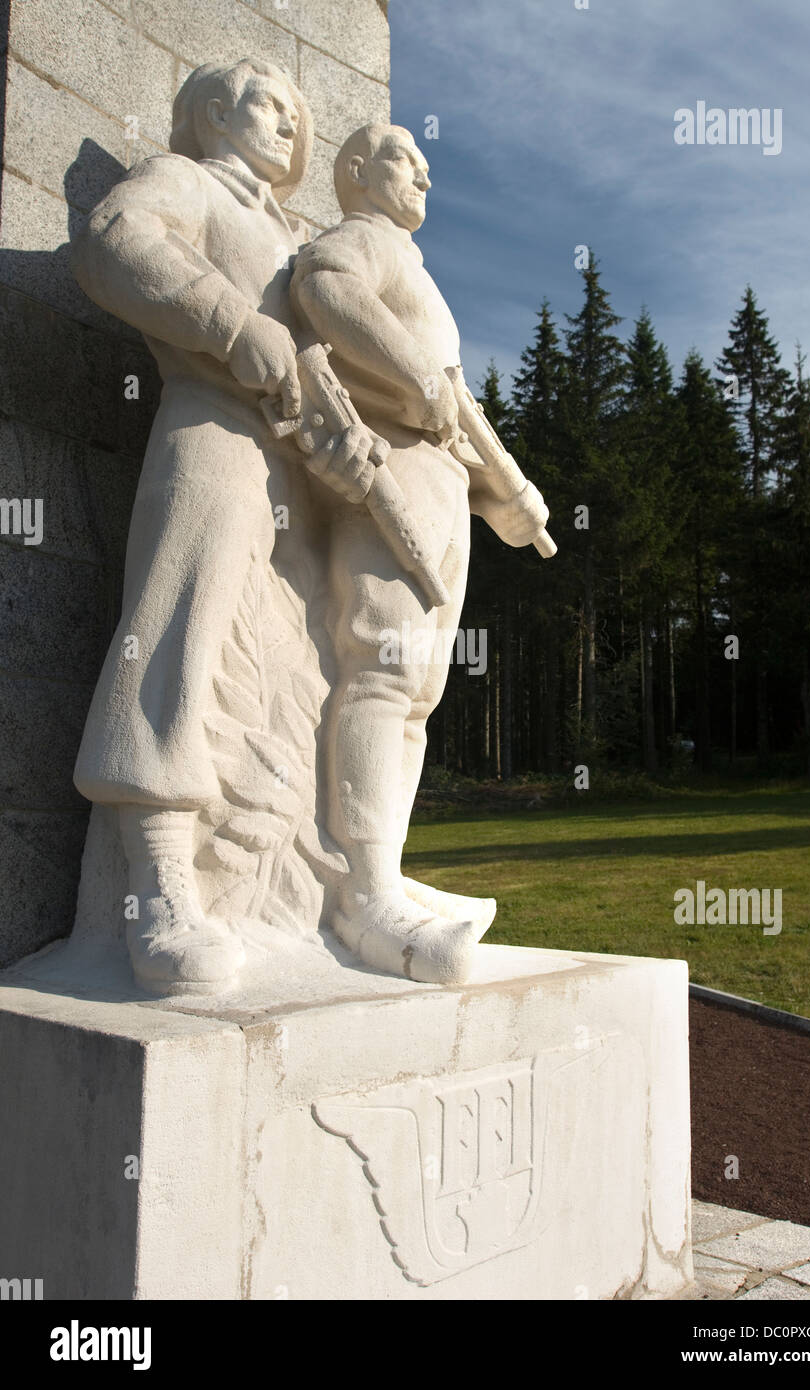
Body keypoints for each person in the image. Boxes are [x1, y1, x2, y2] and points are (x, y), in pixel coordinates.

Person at [71, 60, 377, 994]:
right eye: (266, 105)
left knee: (299, 676)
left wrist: (346, 446)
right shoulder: (189, 180)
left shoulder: (297, 239)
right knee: (178, 635)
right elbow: (113, 240)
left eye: (297, 112)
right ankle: (159, 879)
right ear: (210, 114)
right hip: (213, 429)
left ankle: (293, 886)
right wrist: (229, 322)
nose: (288, 125)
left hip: (298, 484)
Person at [290, 124, 550, 984]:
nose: (426, 171)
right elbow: (326, 292)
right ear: (358, 172)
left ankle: (382, 871)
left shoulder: (418, 271)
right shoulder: (361, 240)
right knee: (382, 669)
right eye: (406, 157)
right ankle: (362, 895)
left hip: (441, 480)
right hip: (392, 466)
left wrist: (505, 491)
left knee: (419, 693)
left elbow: (453, 406)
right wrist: (422, 379)